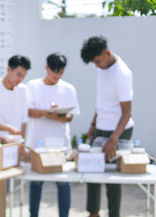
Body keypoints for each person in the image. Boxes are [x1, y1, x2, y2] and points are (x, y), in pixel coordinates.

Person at [80, 35, 134, 217]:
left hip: (119, 130)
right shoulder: (102, 66)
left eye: (98, 61)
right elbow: (102, 100)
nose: (96, 65)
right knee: (92, 170)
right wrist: (93, 124)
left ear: (107, 53)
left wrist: (113, 139)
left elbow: (127, 113)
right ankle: (93, 213)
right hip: (101, 126)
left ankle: (114, 215)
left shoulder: (122, 74)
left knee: (112, 177)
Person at [25, 52, 80, 217]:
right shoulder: (33, 85)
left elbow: (70, 116)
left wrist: (55, 114)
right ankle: (33, 214)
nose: (57, 75)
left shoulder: (68, 88)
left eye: (61, 72)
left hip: (59, 142)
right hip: (37, 142)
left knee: (63, 182)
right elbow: (28, 111)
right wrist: (50, 113)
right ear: (46, 68)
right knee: (35, 181)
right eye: (54, 71)